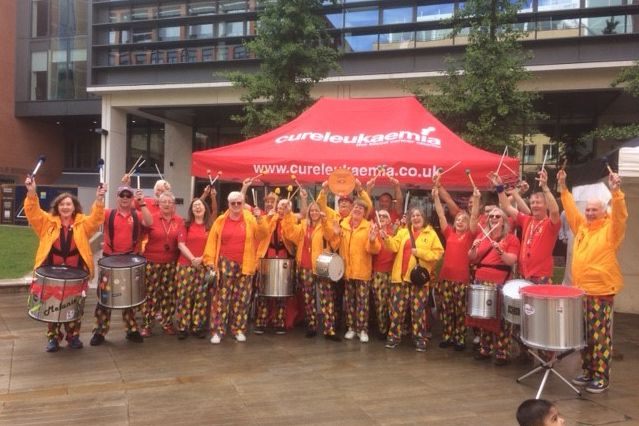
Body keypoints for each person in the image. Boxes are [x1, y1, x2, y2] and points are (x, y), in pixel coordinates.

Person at [559, 169, 627, 393]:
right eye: (587, 209)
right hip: (582, 292)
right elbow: (570, 212)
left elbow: (619, 216)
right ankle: (588, 371)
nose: (589, 213)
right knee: (585, 337)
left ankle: (601, 376)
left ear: (603, 211)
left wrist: (616, 193)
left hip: (600, 293)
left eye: (593, 210)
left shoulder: (610, 230)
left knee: (599, 338)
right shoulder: (582, 228)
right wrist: (563, 188)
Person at [24, 176, 105, 352]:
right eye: (62, 204)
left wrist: (99, 199)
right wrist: (31, 192)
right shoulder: (46, 222)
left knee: (74, 305)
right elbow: (32, 212)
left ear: (74, 207)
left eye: (69, 204)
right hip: (51, 273)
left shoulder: (83, 224)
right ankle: (53, 338)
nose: (65, 207)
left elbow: (97, 219)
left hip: (76, 273)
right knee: (52, 305)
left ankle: (73, 336)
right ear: (57, 207)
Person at [90, 185, 152, 346]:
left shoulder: (137, 214)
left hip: (130, 260)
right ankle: (99, 331)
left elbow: (150, 222)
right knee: (104, 297)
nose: (125, 198)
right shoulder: (107, 213)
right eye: (122, 195)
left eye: (128, 195)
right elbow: (94, 220)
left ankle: (131, 330)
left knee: (129, 297)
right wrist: (99, 198)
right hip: (109, 261)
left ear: (132, 198)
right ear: (117, 197)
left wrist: (143, 203)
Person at [204, 191, 269, 344]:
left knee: (242, 300)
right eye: (233, 203)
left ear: (243, 203)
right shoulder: (220, 220)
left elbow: (262, 234)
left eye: (239, 203)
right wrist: (209, 262)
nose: (236, 206)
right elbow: (212, 242)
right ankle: (218, 331)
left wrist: (260, 219)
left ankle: (238, 329)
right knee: (221, 300)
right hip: (224, 264)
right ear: (228, 204)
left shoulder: (251, 219)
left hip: (245, 264)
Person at [381, 206, 444, 351]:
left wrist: (420, 252)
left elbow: (438, 253)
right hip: (401, 278)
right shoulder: (403, 232)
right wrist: (386, 238)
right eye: (413, 216)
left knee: (418, 312)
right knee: (396, 310)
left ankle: (419, 339)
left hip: (419, 280)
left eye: (418, 215)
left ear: (423, 218)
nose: (415, 218)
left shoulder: (431, 233)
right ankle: (393, 337)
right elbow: (394, 246)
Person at [282, 196, 339, 340]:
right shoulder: (302, 225)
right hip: (305, 266)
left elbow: (330, 236)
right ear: (308, 212)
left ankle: (330, 330)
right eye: (312, 210)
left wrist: (325, 221)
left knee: (327, 298)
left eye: (316, 210)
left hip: (322, 264)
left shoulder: (325, 223)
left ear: (320, 212)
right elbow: (290, 233)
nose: (314, 212)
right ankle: (312, 326)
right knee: (308, 298)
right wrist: (288, 214)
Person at [325, 196, 381, 342]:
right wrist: (336, 233)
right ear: (352, 209)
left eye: (361, 208)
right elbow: (335, 246)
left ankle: (363, 330)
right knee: (350, 302)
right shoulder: (343, 225)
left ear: (364, 212)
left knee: (363, 302)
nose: (357, 210)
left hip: (362, 272)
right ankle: (351, 328)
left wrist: (373, 240)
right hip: (347, 271)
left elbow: (374, 250)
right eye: (355, 207)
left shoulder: (369, 226)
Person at [468, 206, 519, 365]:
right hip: (481, 278)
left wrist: (501, 252)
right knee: (485, 316)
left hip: (500, 280)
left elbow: (511, 260)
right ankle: (485, 349)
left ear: (504, 220)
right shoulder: (482, 236)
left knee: (501, 318)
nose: (494, 219)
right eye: (491, 217)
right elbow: (472, 258)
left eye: (498, 216)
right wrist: (474, 247)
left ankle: (502, 352)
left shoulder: (511, 239)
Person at [492, 169, 561, 284]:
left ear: (546, 205)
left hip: (540, 277)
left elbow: (554, 211)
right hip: (523, 274)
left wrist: (545, 187)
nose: (535, 205)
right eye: (532, 203)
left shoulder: (550, 224)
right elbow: (506, 206)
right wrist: (499, 186)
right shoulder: (527, 220)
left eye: (538, 202)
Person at [432, 186, 477, 351]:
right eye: (458, 219)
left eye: (463, 220)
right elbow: (440, 214)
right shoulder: (449, 233)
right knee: (446, 309)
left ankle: (460, 338)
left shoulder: (470, 235)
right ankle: (447, 336)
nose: (459, 222)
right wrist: (436, 197)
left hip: (461, 280)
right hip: (446, 278)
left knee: (460, 311)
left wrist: (476, 200)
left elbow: (474, 219)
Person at [140, 191, 184, 337]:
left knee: (168, 294)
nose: (166, 204)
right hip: (152, 262)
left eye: (169, 202)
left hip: (170, 263)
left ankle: (167, 322)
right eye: (163, 201)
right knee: (151, 294)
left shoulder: (179, 220)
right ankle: (147, 324)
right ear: (158, 203)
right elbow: (141, 227)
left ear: (173, 205)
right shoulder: (151, 219)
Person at [254, 195, 295, 335]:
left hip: (283, 257)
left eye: (284, 208)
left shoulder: (291, 220)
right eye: (279, 208)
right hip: (268, 256)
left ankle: (280, 322)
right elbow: (261, 232)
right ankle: (261, 321)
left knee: (281, 291)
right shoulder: (268, 218)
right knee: (263, 291)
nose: (281, 210)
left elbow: (291, 236)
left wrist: (287, 218)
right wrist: (268, 218)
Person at [175, 198, 213, 339]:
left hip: (203, 266)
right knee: (184, 296)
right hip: (186, 265)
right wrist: (192, 259)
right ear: (191, 209)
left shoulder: (210, 226)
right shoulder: (185, 224)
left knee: (201, 297)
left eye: (200, 205)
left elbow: (212, 246)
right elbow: (181, 244)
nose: (197, 208)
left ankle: (197, 326)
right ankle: (183, 326)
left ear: (205, 209)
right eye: (194, 206)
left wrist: (201, 259)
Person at [369, 209, 395, 339]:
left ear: (390, 220)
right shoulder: (374, 232)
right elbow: (372, 250)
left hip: (393, 272)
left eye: (385, 216)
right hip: (378, 272)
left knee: (393, 303)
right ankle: (382, 329)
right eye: (380, 216)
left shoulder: (395, 232)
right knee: (380, 302)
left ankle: (393, 329)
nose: (382, 218)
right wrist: (373, 239)